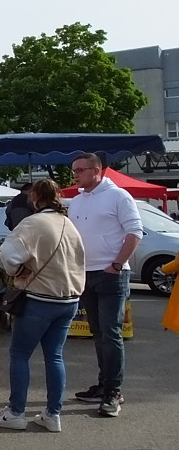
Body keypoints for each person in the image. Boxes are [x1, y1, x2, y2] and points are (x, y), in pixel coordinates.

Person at [0, 179, 85, 432]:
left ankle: (16, 412)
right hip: (69, 298)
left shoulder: (33, 222)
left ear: (35, 197)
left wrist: (17, 270)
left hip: (40, 298)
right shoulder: (68, 223)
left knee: (20, 354)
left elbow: (8, 254)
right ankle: (53, 414)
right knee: (54, 356)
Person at [67, 153, 142, 418]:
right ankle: (104, 384)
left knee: (110, 334)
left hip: (111, 273)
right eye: (73, 170)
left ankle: (114, 391)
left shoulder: (118, 196)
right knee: (98, 334)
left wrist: (117, 265)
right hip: (85, 274)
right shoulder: (77, 201)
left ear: (96, 170)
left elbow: (135, 232)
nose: (74, 174)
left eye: (79, 170)